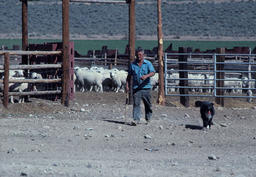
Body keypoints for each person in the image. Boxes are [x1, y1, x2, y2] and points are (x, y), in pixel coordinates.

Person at [126, 48, 156, 126]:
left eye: (140, 55)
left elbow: (153, 72)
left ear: (143, 55)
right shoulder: (133, 65)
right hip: (136, 88)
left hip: (146, 87)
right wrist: (127, 85)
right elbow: (129, 76)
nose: (138, 56)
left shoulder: (148, 63)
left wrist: (146, 76)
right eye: (137, 54)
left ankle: (148, 118)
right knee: (136, 104)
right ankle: (136, 119)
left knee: (148, 104)